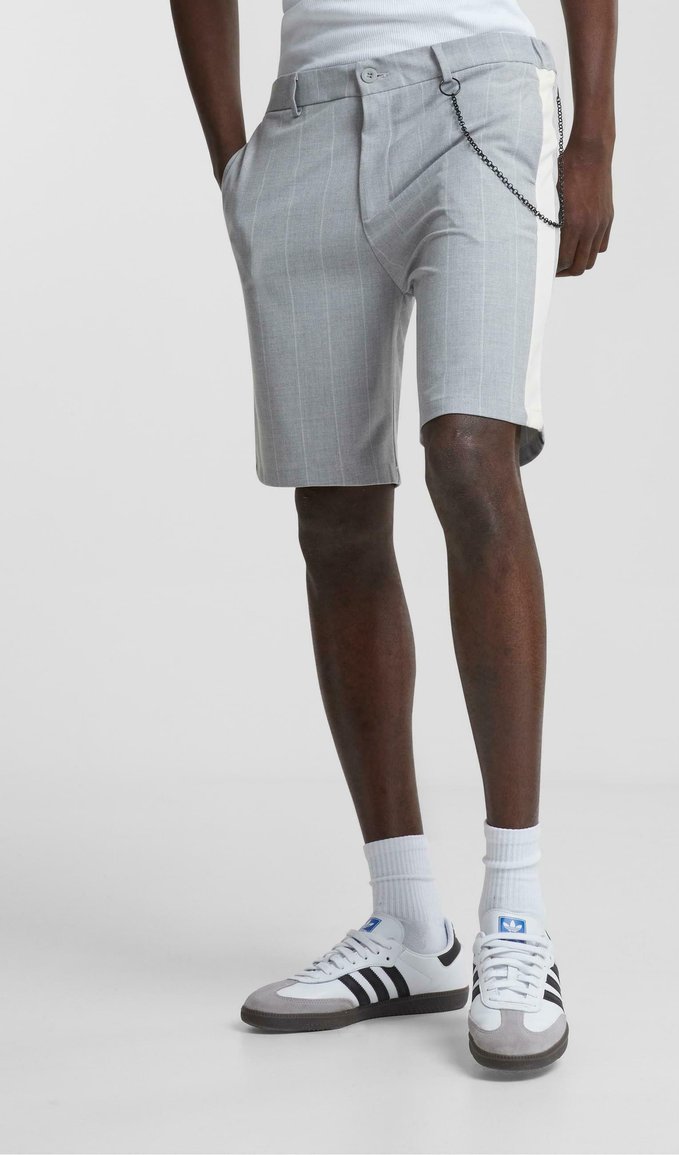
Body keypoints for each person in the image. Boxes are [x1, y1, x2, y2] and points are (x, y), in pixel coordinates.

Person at [171, 0, 616, 1071]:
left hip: (480, 98)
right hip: (305, 127)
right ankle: (408, 921)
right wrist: (234, 161)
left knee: (469, 454)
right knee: (334, 516)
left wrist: (595, 132)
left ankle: (516, 915)